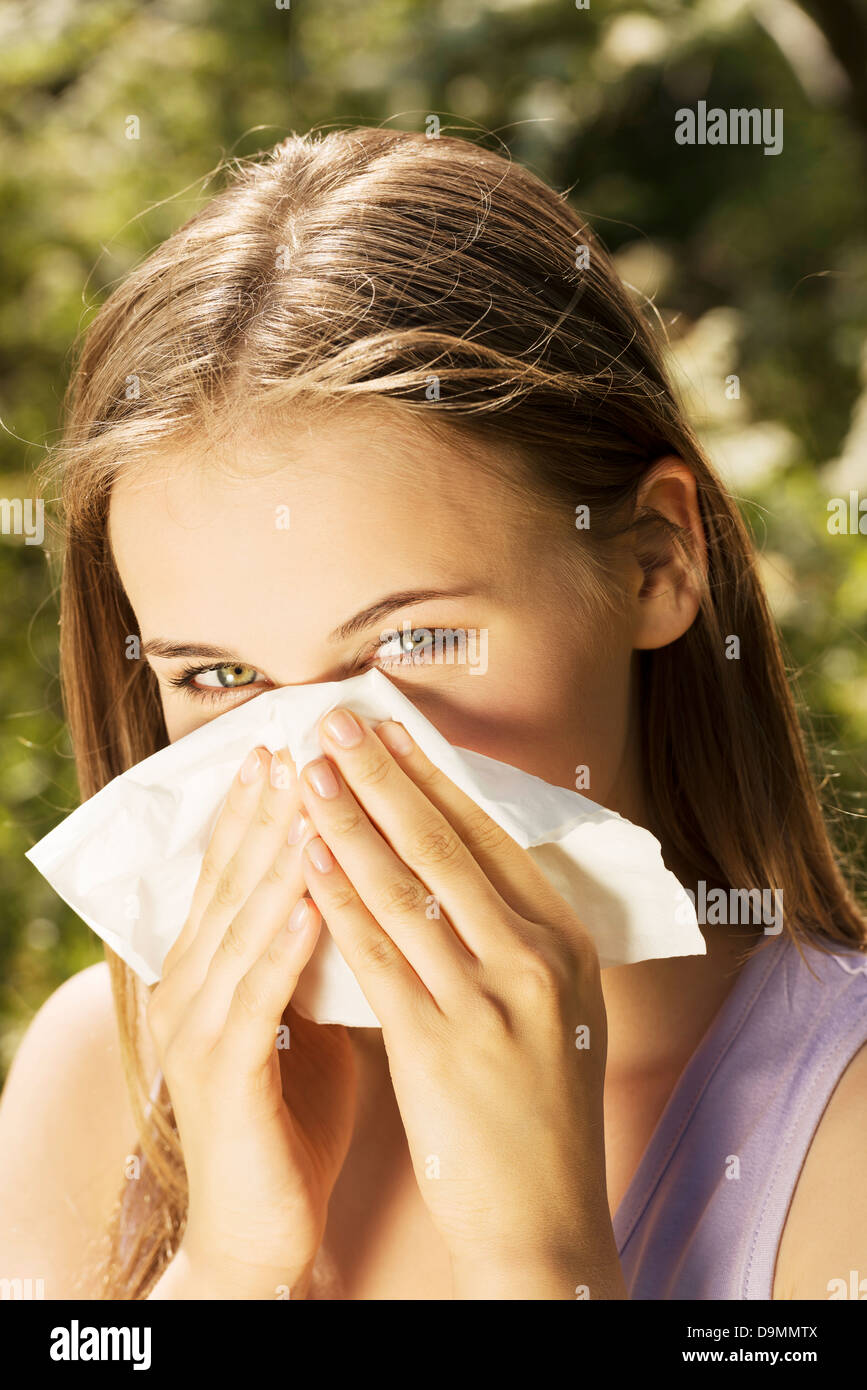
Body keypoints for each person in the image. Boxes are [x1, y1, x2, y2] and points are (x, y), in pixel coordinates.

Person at [1, 128, 865, 1301]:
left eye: (413, 642)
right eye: (219, 676)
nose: (318, 762)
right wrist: (231, 1263)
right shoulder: (100, 1079)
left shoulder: (839, 1133)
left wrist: (537, 1261)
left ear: (657, 563)